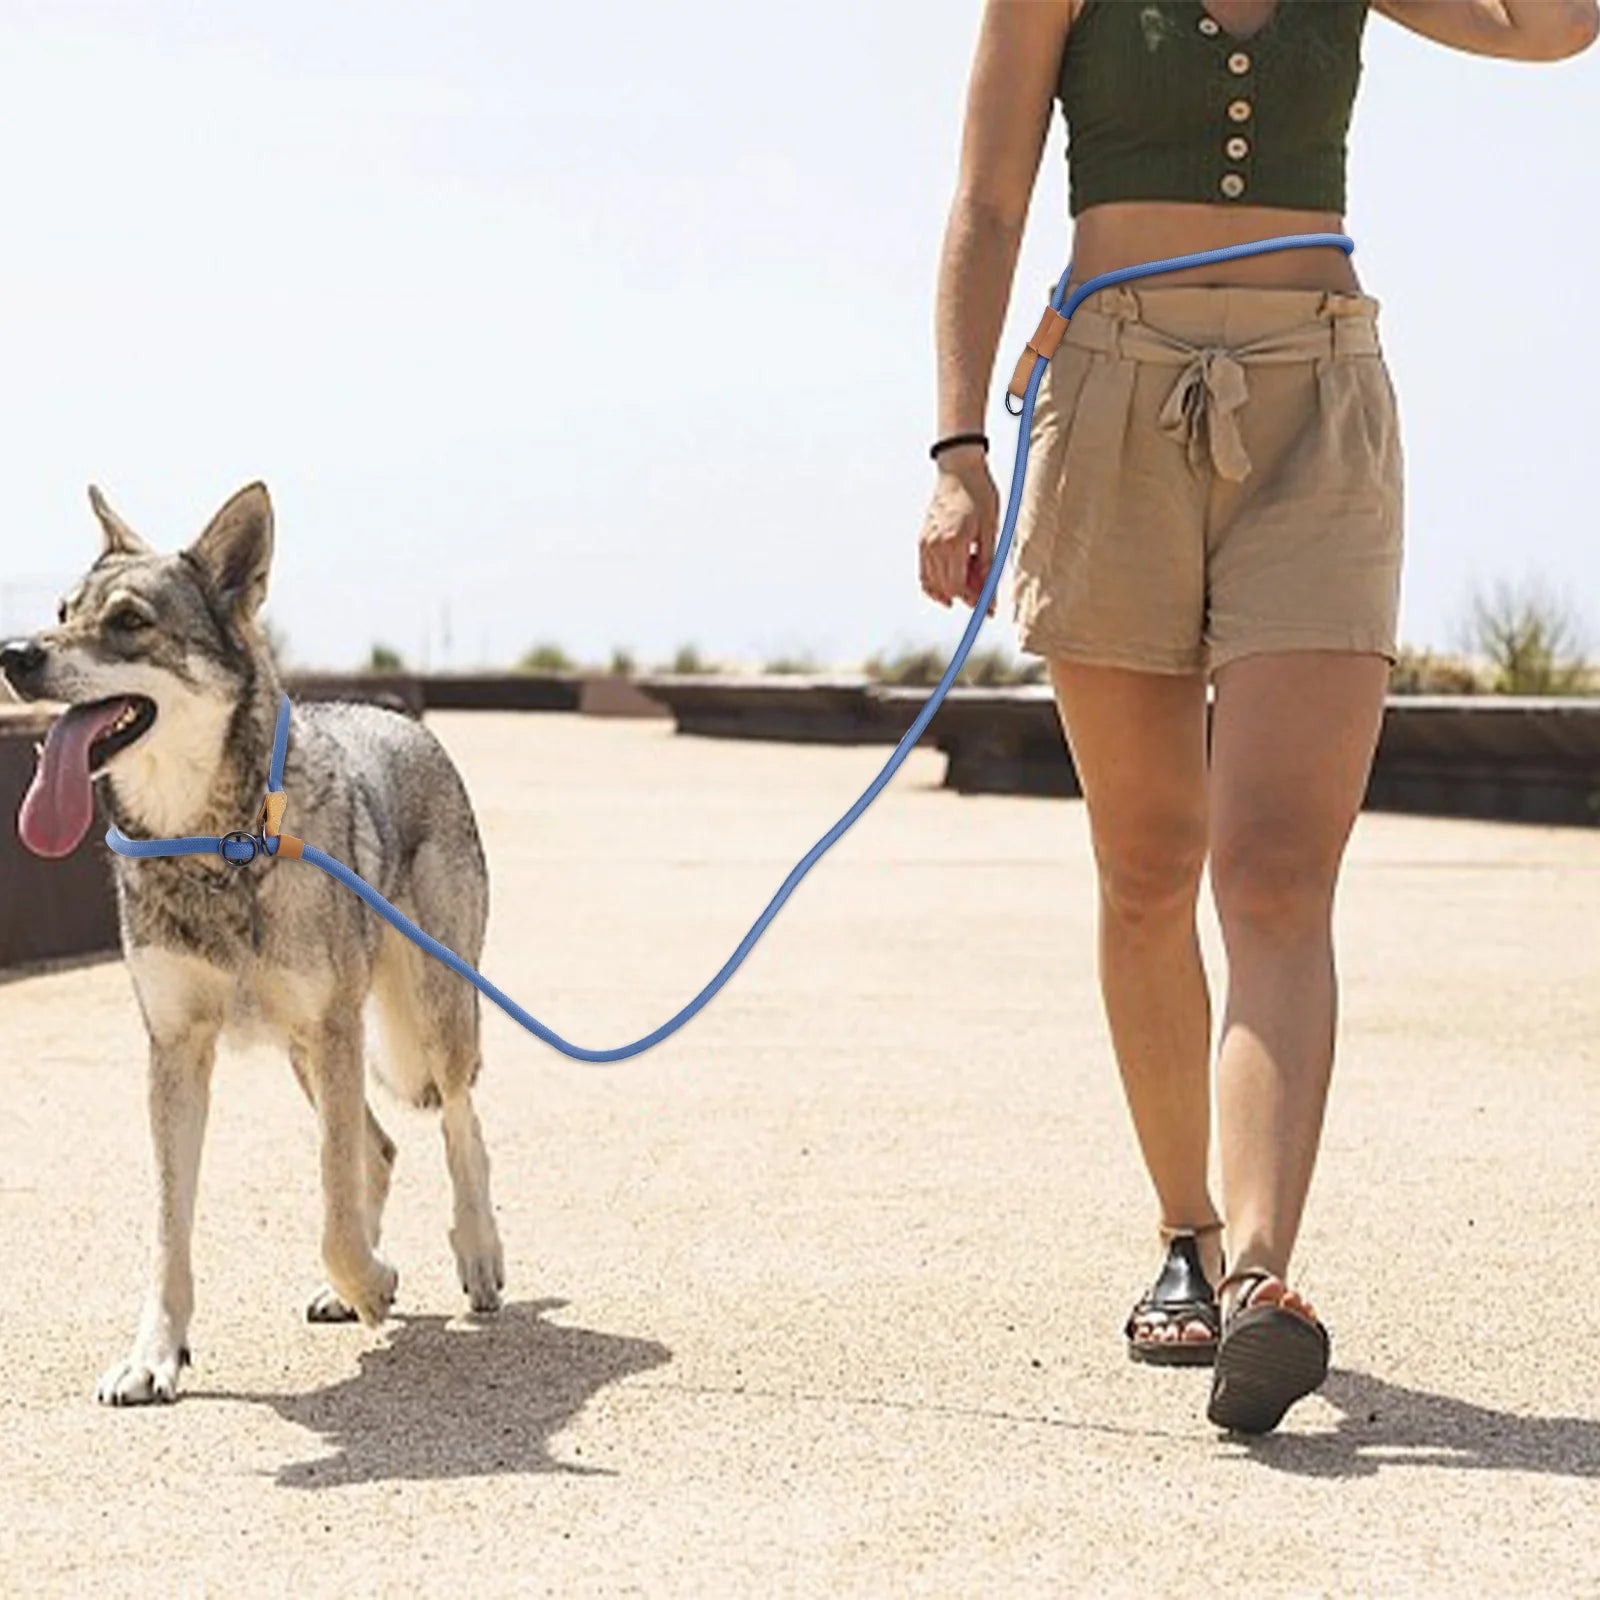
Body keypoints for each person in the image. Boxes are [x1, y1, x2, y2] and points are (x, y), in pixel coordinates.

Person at [919, 0, 1598, 1433]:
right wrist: (959, 448)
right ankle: (1189, 1231)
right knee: (1149, 865)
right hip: (1108, 406)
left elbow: (1554, 28)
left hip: (1318, 403)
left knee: (1280, 870)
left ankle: (1264, 1282)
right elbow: (986, 198)